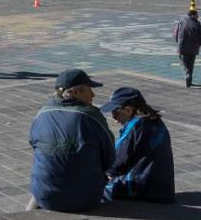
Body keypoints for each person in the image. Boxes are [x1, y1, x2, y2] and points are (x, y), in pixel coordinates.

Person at [27, 69, 114, 212]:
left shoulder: (41, 114)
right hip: (85, 199)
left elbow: (35, 146)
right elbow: (109, 157)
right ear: (74, 92)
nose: (93, 95)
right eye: (89, 90)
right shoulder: (91, 116)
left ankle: (28, 219)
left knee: (46, 175)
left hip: (45, 196)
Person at [101, 87, 175, 203]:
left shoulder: (136, 126)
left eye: (115, 113)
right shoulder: (155, 120)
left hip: (141, 187)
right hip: (163, 188)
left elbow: (117, 160)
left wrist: (103, 171)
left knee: (92, 188)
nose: (114, 119)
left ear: (128, 110)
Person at [173, 7, 201, 88]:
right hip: (194, 47)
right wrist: (199, 44)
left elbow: (175, 33)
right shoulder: (197, 24)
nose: (198, 17)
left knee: (184, 63)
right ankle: (189, 78)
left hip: (183, 46)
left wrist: (178, 42)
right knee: (191, 63)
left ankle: (187, 75)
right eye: (197, 15)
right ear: (192, 15)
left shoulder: (181, 22)